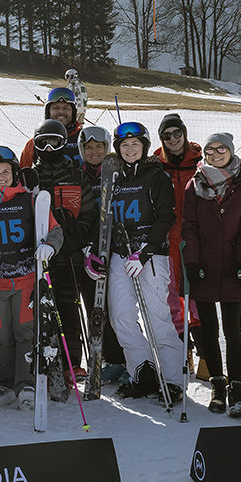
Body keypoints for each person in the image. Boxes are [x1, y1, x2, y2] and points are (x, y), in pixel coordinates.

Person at [88, 121, 182, 402]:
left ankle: (172, 380)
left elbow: (167, 217)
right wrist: (94, 252)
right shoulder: (112, 179)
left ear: (143, 147)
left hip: (149, 256)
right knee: (121, 317)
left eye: (135, 144)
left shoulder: (156, 177)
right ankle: (143, 372)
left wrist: (146, 251)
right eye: (125, 145)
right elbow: (104, 220)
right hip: (119, 254)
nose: (130, 149)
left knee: (158, 317)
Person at [0, 150, 62, 409]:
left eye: (6, 171)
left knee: (25, 332)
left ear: (14, 173)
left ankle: (25, 383)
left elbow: (54, 229)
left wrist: (50, 245)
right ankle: (5, 384)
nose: (1, 177)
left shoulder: (28, 201)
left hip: (26, 277)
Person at [181, 133, 241, 417]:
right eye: (210, 150)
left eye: (221, 149)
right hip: (204, 266)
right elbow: (189, 226)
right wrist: (191, 262)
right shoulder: (195, 185)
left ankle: (237, 389)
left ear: (231, 151)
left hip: (232, 267)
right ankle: (217, 386)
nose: (215, 154)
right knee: (208, 330)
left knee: (232, 330)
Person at [29, 117, 96, 387]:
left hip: (69, 253)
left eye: (53, 143)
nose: (47, 149)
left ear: (63, 143)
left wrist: (73, 237)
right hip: (40, 251)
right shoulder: (29, 175)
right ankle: (45, 360)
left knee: (69, 306)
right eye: (42, 143)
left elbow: (89, 214)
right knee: (42, 307)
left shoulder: (77, 175)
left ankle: (73, 362)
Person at [79, 125, 130, 387]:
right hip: (90, 247)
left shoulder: (118, 170)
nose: (95, 151)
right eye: (89, 147)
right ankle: (110, 358)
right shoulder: (78, 175)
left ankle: (130, 356)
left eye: (100, 147)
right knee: (95, 305)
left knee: (119, 306)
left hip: (117, 245)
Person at [153, 113, 202, 336]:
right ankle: (180, 339)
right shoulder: (156, 166)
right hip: (169, 237)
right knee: (172, 292)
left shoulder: (198, 162)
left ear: (184, 133)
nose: (173, 139)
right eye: (167, 136)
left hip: (196, 236)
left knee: (198, 291)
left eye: (176, 133)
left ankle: (202, 338)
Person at [19, 87, 83, 168]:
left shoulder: (84, 139)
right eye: (55, 108)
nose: (61, 112)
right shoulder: (34, 144)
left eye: (66, 108)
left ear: (73, 112)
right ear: (48, 111)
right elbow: (23, 175)